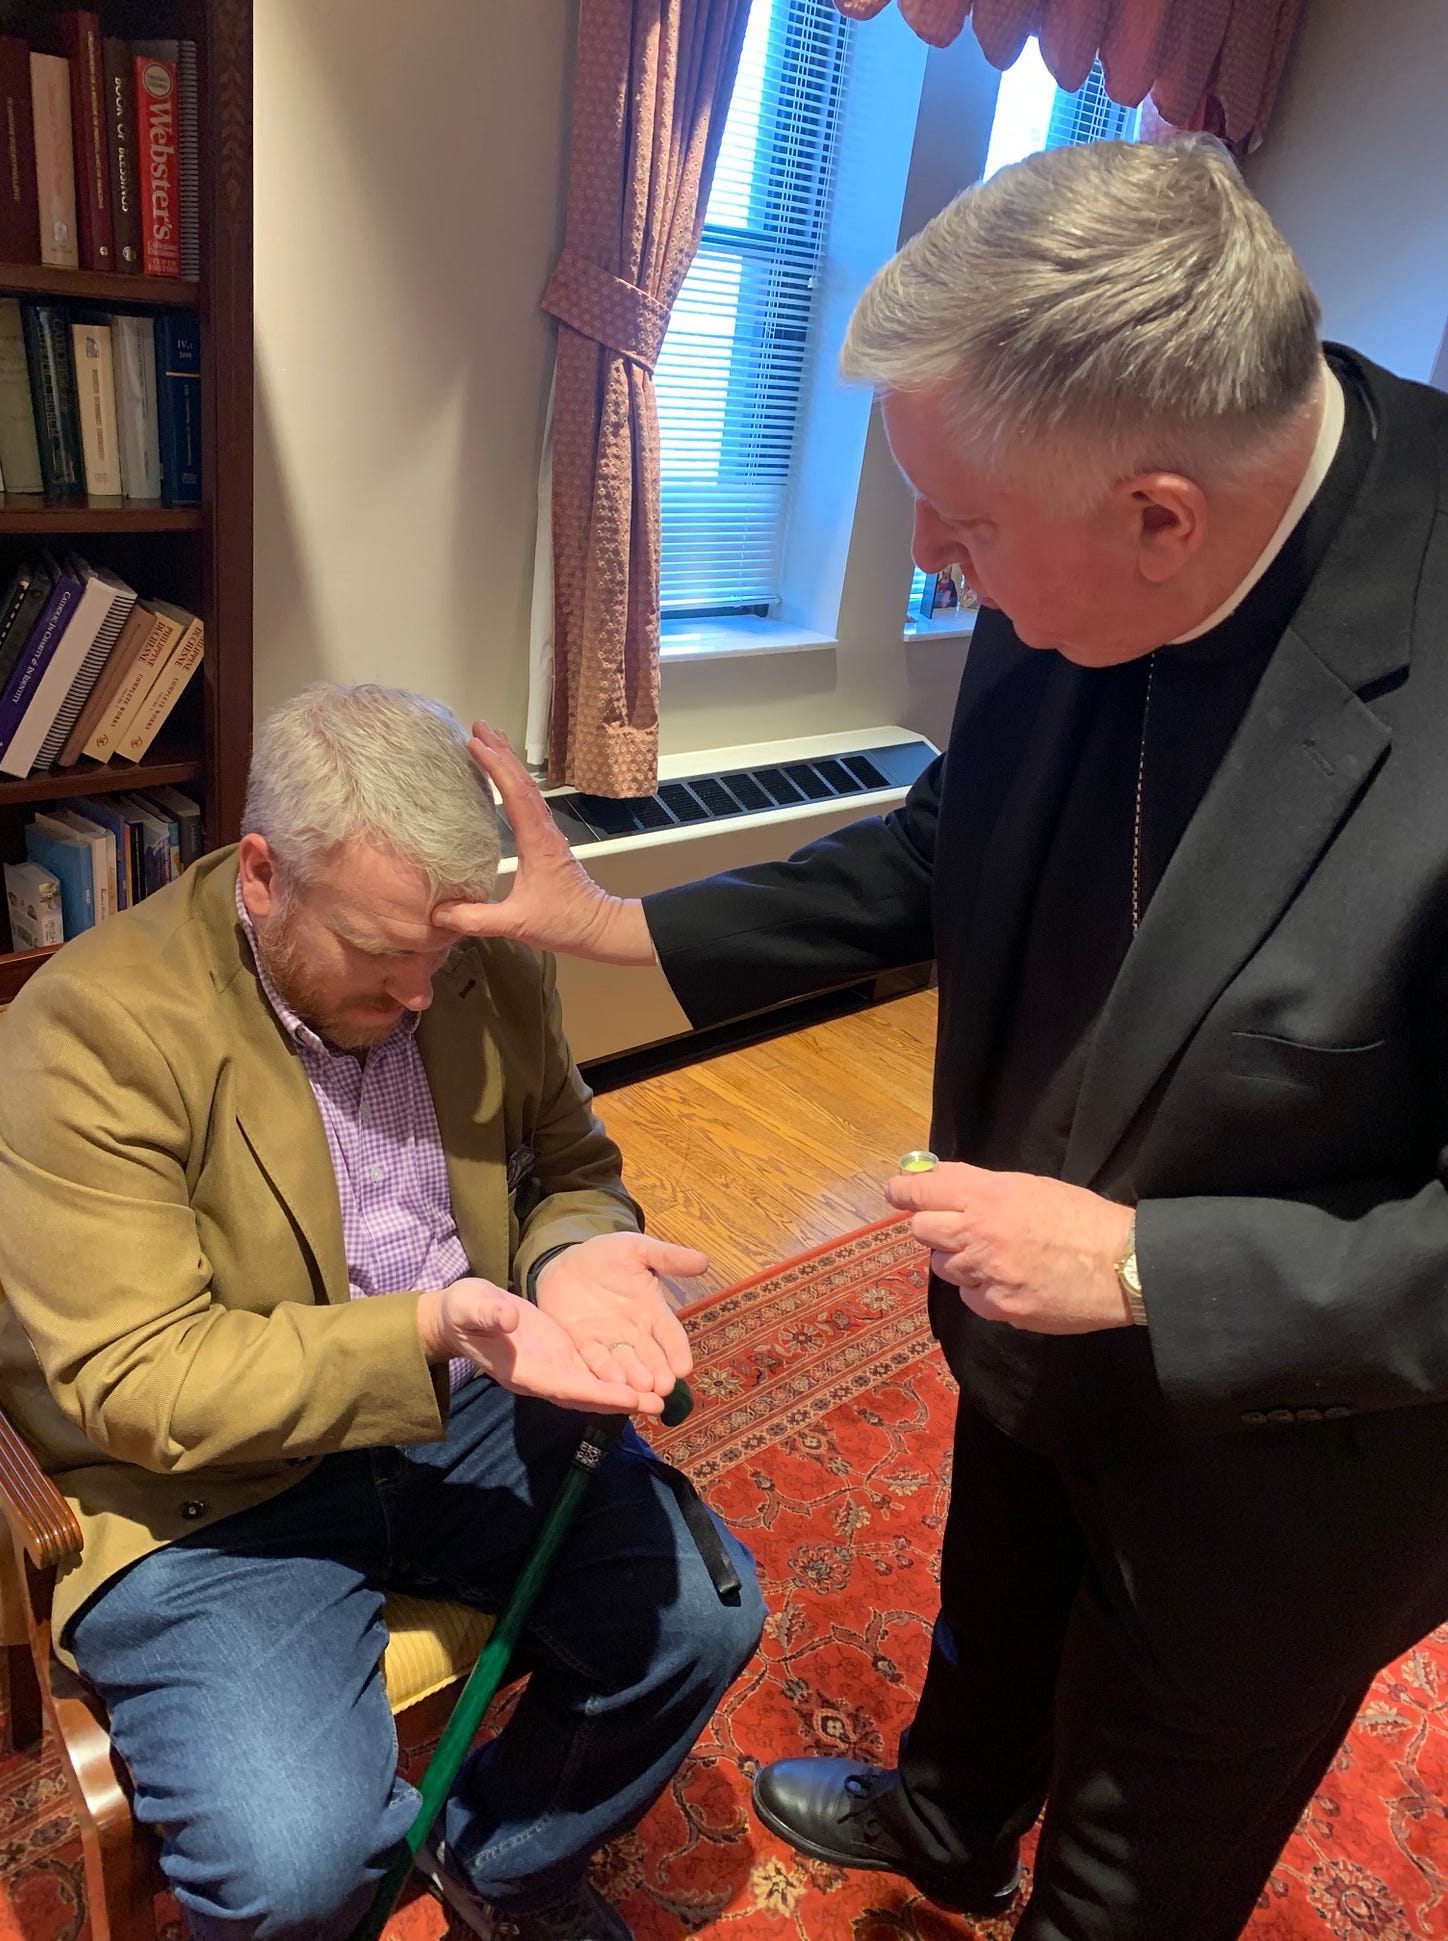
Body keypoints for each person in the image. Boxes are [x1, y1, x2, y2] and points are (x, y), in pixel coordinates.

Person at [434, 138, 1448, 1941]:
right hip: (1023, 1310)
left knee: (1148, 1839)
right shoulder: (1066, 508)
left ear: (1162, 517)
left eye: (963, 534)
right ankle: (951, 1813)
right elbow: (946, 847)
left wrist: (1147, 1267)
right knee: (996, 1608)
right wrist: (620, 926)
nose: (932, 566)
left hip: (1295, 1436)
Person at [0, 683, 765, 1941]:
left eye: (443, 951)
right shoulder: (89, 1028)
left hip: (457, 1406)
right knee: (294, 1867)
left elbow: (573, 1170)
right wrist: (432, 1328)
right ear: (260, 875)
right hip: (210, 1491)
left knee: (700, 1620)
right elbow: (142, 1382)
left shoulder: (482, 968)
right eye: (379, 953)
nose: (420, 990)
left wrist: (572, 1258)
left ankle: (498, 1864)